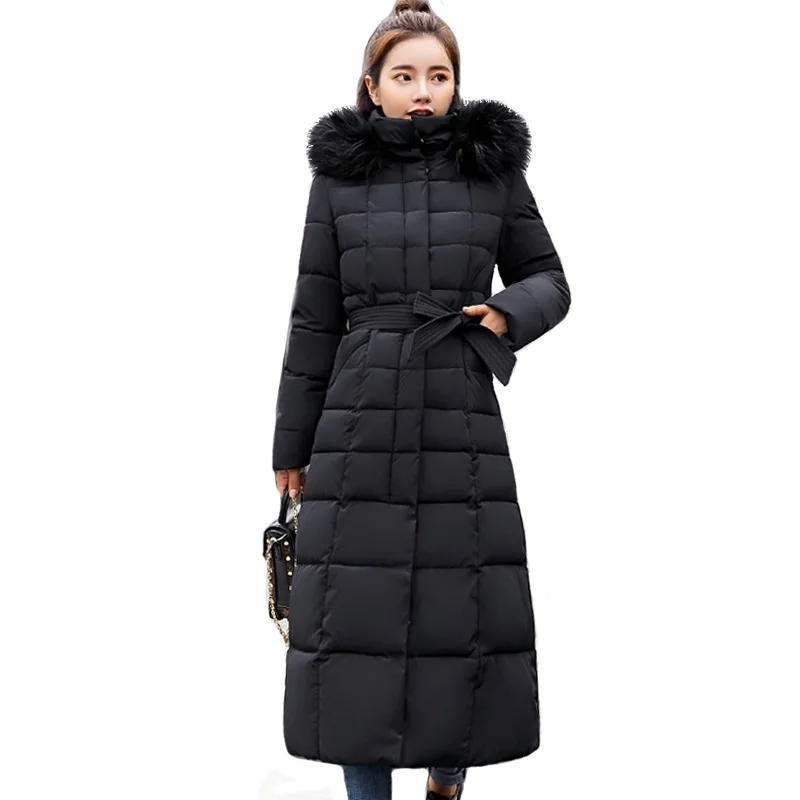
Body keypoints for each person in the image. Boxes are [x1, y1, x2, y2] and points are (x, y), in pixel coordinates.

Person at [272, 1, 570, 797]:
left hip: (459, 415)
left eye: (438, 75)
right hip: (357, 418)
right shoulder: (338, 179)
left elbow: (550, 278)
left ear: (455, 85)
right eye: (404, 75)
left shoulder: (492, 171)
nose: (423, 90)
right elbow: (314, 317)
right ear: (373, 87)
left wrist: (506, 313)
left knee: (460, 612)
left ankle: (447, 782)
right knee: (352, 624)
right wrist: (290, 448)